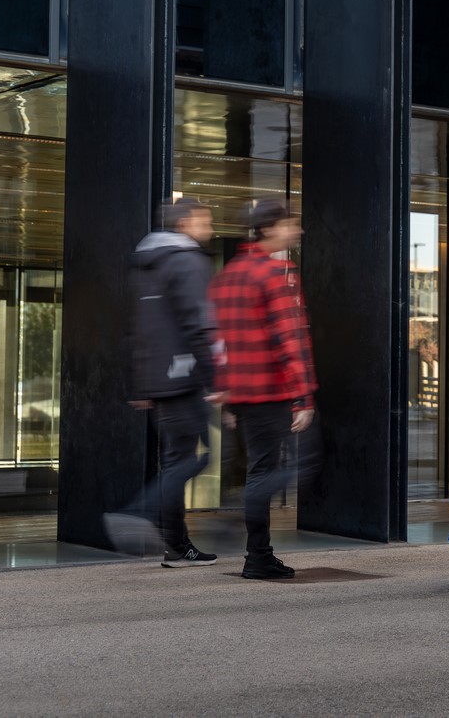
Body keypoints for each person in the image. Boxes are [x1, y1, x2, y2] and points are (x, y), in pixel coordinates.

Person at [105, 197, 220, 567]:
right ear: (184, 223)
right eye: (205, 221)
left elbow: (133, 329)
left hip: (158, 380)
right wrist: (216, 378)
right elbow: (198, 324)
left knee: (177, 461)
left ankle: (177, 545)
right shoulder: (188, 260)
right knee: (207, 456)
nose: (211, 228)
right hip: (185, 376)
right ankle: (139, 511)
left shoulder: (144, 263)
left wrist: (140, 385)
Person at [210, 199, 317, 580]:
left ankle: (258, 555)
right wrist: (303, 396)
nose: (297, 230)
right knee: (304, 464)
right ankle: (250, 546)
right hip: (272, 391)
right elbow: (290, 339)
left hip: (242, 393)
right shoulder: (275, 273)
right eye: (291, 224)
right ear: (269, 229)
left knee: (260, 471)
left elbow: (217, 340)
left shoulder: (229, 274)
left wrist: (226, 394)